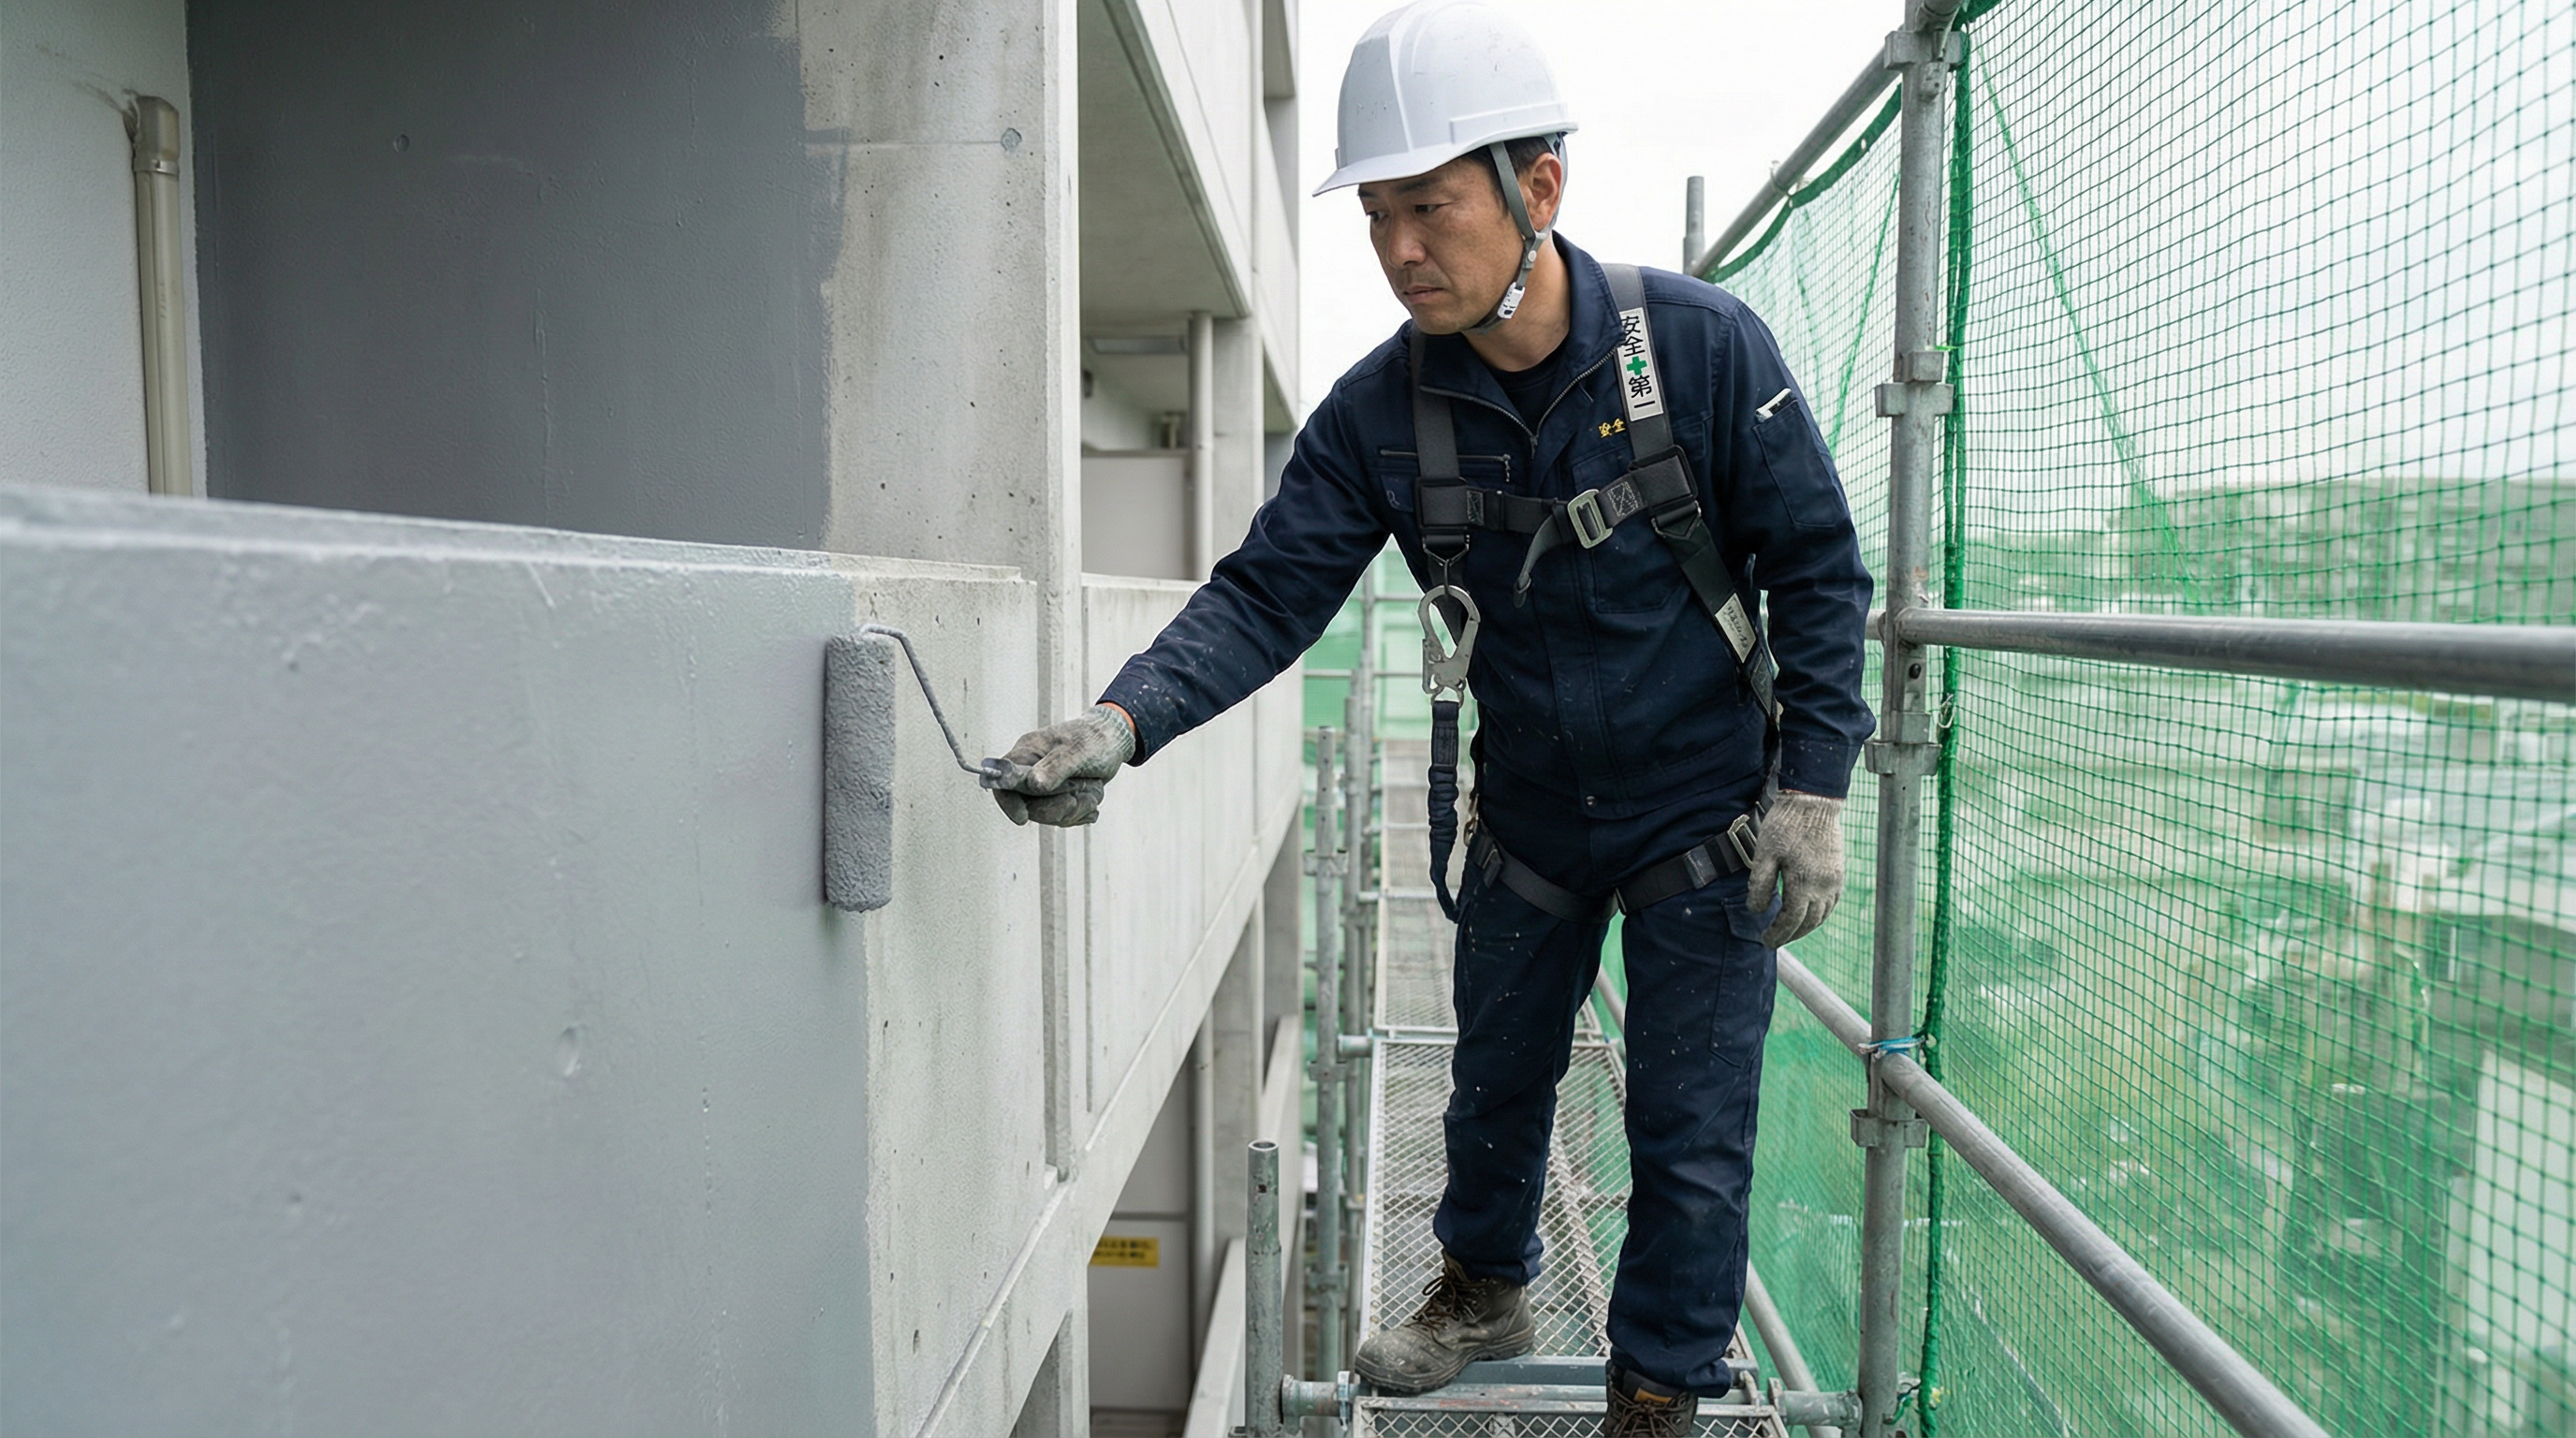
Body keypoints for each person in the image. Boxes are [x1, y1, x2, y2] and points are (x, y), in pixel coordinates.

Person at [990, 1, 1873, 1431]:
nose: (1402, 250)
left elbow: (1821, 575)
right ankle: (1483, 1285)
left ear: (1540, 189)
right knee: (1491, 1085)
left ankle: (1655, 1390)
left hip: (1702, 813)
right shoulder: (1379, 418)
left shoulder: (1701, 352)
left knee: (1691, 1138)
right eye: (1380, 217)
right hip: (1529, 809)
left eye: (1432, 210)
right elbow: (1267, 595)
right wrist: (1120, 720)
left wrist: (1814, 791)